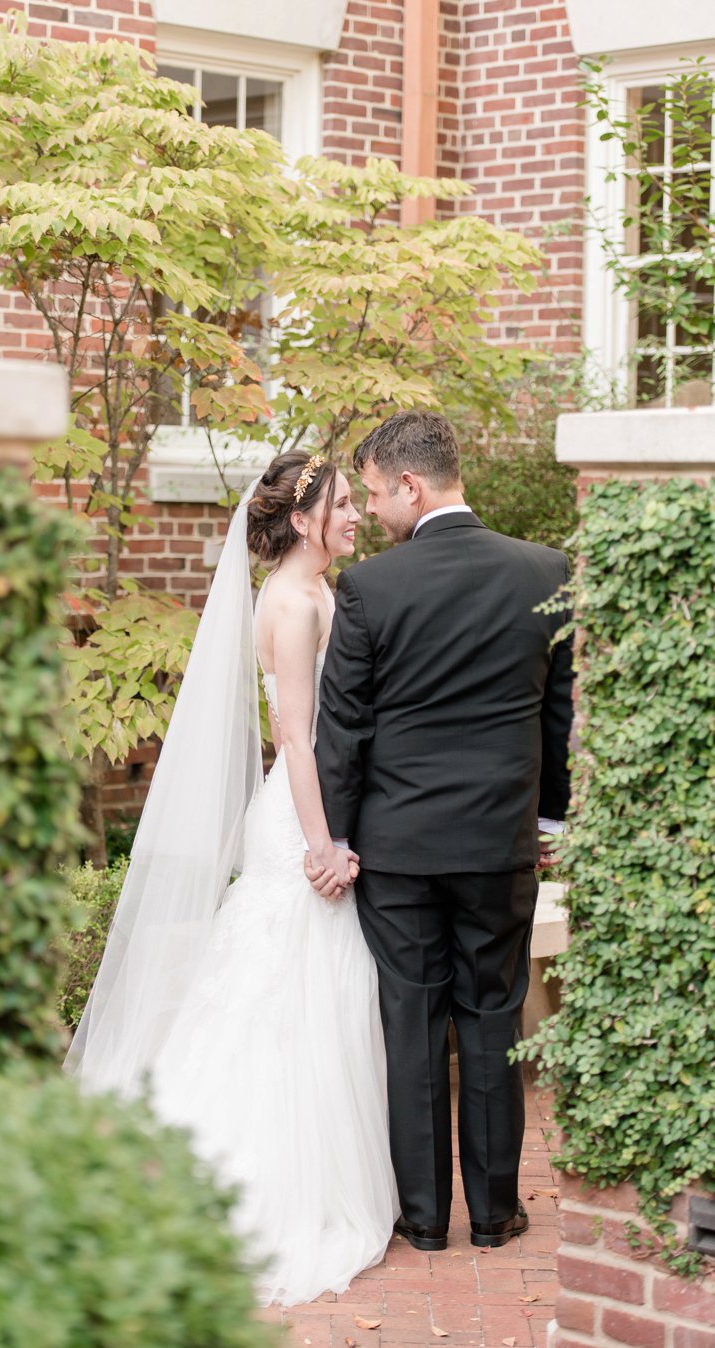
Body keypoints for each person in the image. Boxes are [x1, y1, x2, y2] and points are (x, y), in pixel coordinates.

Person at [65, 449, 397, 1308]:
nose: (358, 513)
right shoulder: (288, 604)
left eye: (359, 500)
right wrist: (322, 844)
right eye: (342, 502)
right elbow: (295, 735)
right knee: (286, 987)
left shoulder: (328, 591)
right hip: (300, 820)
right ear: (300, 520)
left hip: (318, 806)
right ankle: (258, 1187)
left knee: (312, 985)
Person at [311, 409, 573, 1253]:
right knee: (494, 1016)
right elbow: (557, 721)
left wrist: (339, 839)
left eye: (379, 494)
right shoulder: (544, 571)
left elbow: (341, 732)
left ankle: (422, 1218)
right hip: (500, 844)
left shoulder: (371, 590)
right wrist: (545, 819)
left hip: (399, 852)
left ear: (412, 485)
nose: (376, 513)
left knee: (412, 1022)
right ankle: (496, 1214)